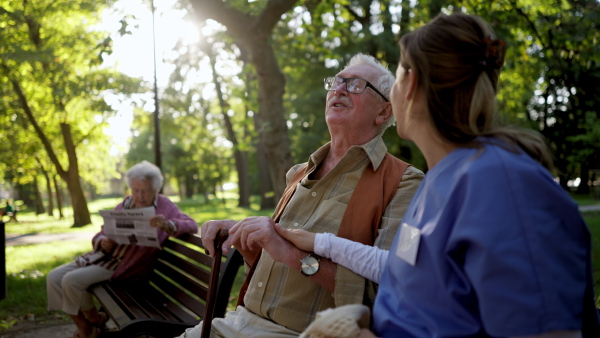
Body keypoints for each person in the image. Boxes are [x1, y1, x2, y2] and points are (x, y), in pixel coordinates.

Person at [277, 12, 600, 338]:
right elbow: (405, 267)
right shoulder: (441, 180)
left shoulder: (504, 188)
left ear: (412, 83)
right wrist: (320, 243)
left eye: (397, 76)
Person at [178, 53, 424, 337]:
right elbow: (276, 269)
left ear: (383, 111)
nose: (339, 89)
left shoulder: (404, 182)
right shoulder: (298, 173)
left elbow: (387, 291)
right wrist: (244, 237)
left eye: (356, 85)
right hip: (234, 322)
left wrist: (290, 253)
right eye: (336, 82)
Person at [46, 161, 198, 338]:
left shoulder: (165, 206)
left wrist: (167, 225)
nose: (139, 196)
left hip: (125, 266)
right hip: (104, 257)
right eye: (135, 190)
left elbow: (191, 225)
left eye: (145, 191)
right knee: (53, 277)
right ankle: (90, 324)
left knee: (71, 281)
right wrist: (102, 240)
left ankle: (90, 325)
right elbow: (103, 231)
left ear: (155, 189)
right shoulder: (127, 203)